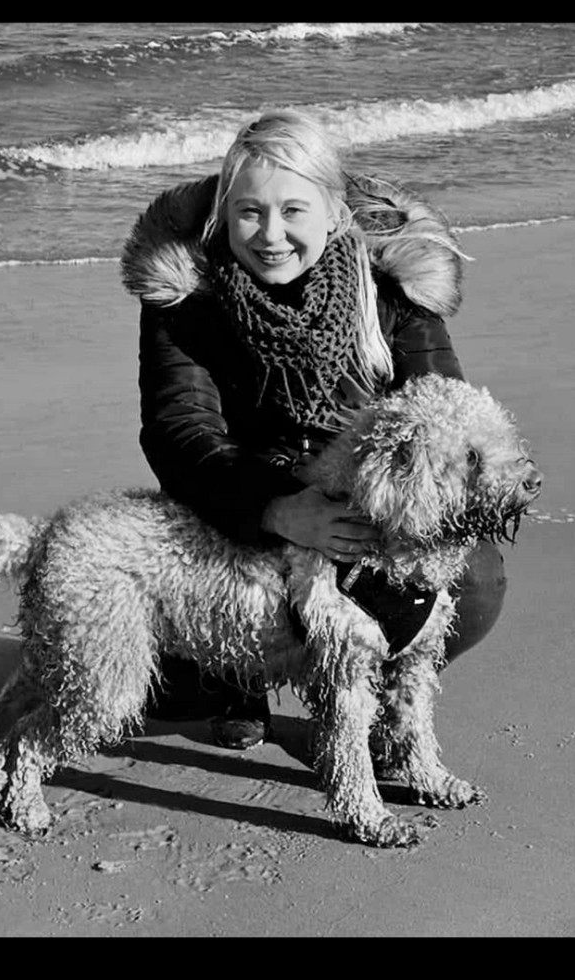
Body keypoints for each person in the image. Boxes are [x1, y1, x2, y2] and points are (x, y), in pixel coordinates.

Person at [121, 110, 507, 749]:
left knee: (476, 582)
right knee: (162, 689)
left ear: (333, 212)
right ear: (222, 215)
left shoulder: (394, 285)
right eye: (249, 212)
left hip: (364, 505)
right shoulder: (186, 297)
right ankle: (241, 675)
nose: (271, 234)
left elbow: (447, 414)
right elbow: (179, 432)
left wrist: (381, 513)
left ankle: (370, 684)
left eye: (293, 210)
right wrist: (275, 509)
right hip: (237, 506)